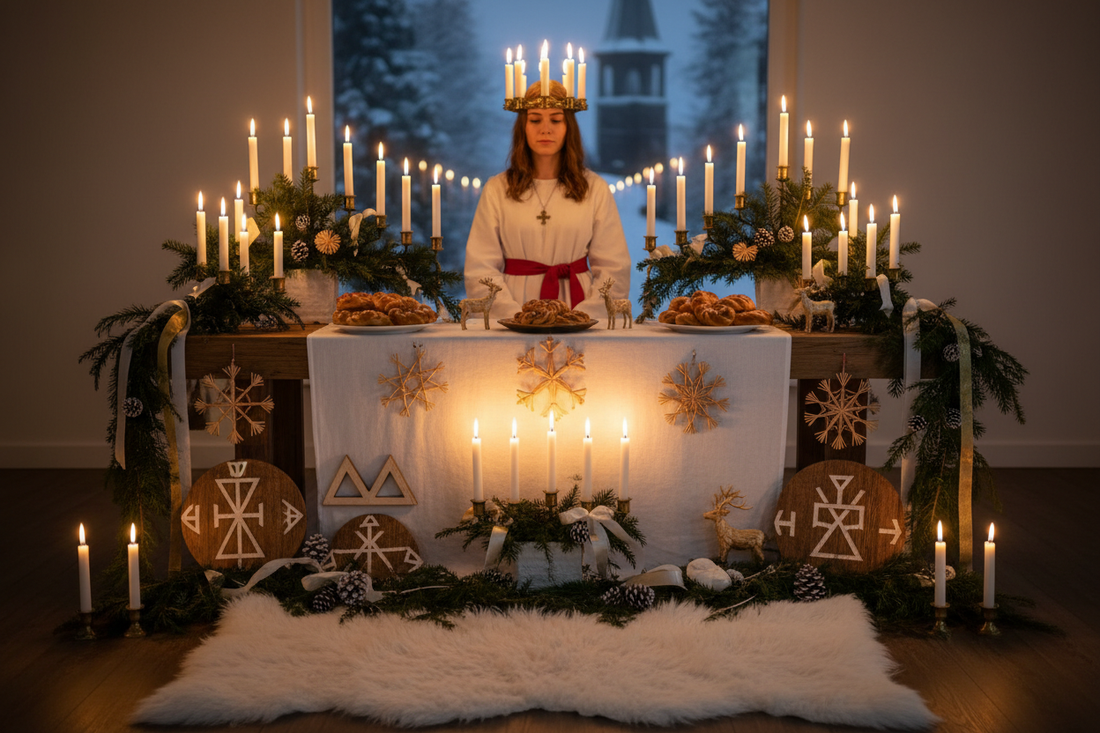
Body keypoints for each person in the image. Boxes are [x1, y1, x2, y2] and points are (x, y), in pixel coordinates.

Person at [464, 80, 631, 321]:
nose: (545, 129)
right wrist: (515, 318)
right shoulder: (497, 189)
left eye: (555, 119)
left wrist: (584, 317)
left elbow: (614, 267)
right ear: (523, 127)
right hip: (514, 312)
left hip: (578, 310)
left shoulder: (594, 188)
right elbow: (480, 268)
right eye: (534, 120)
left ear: (568, 127)